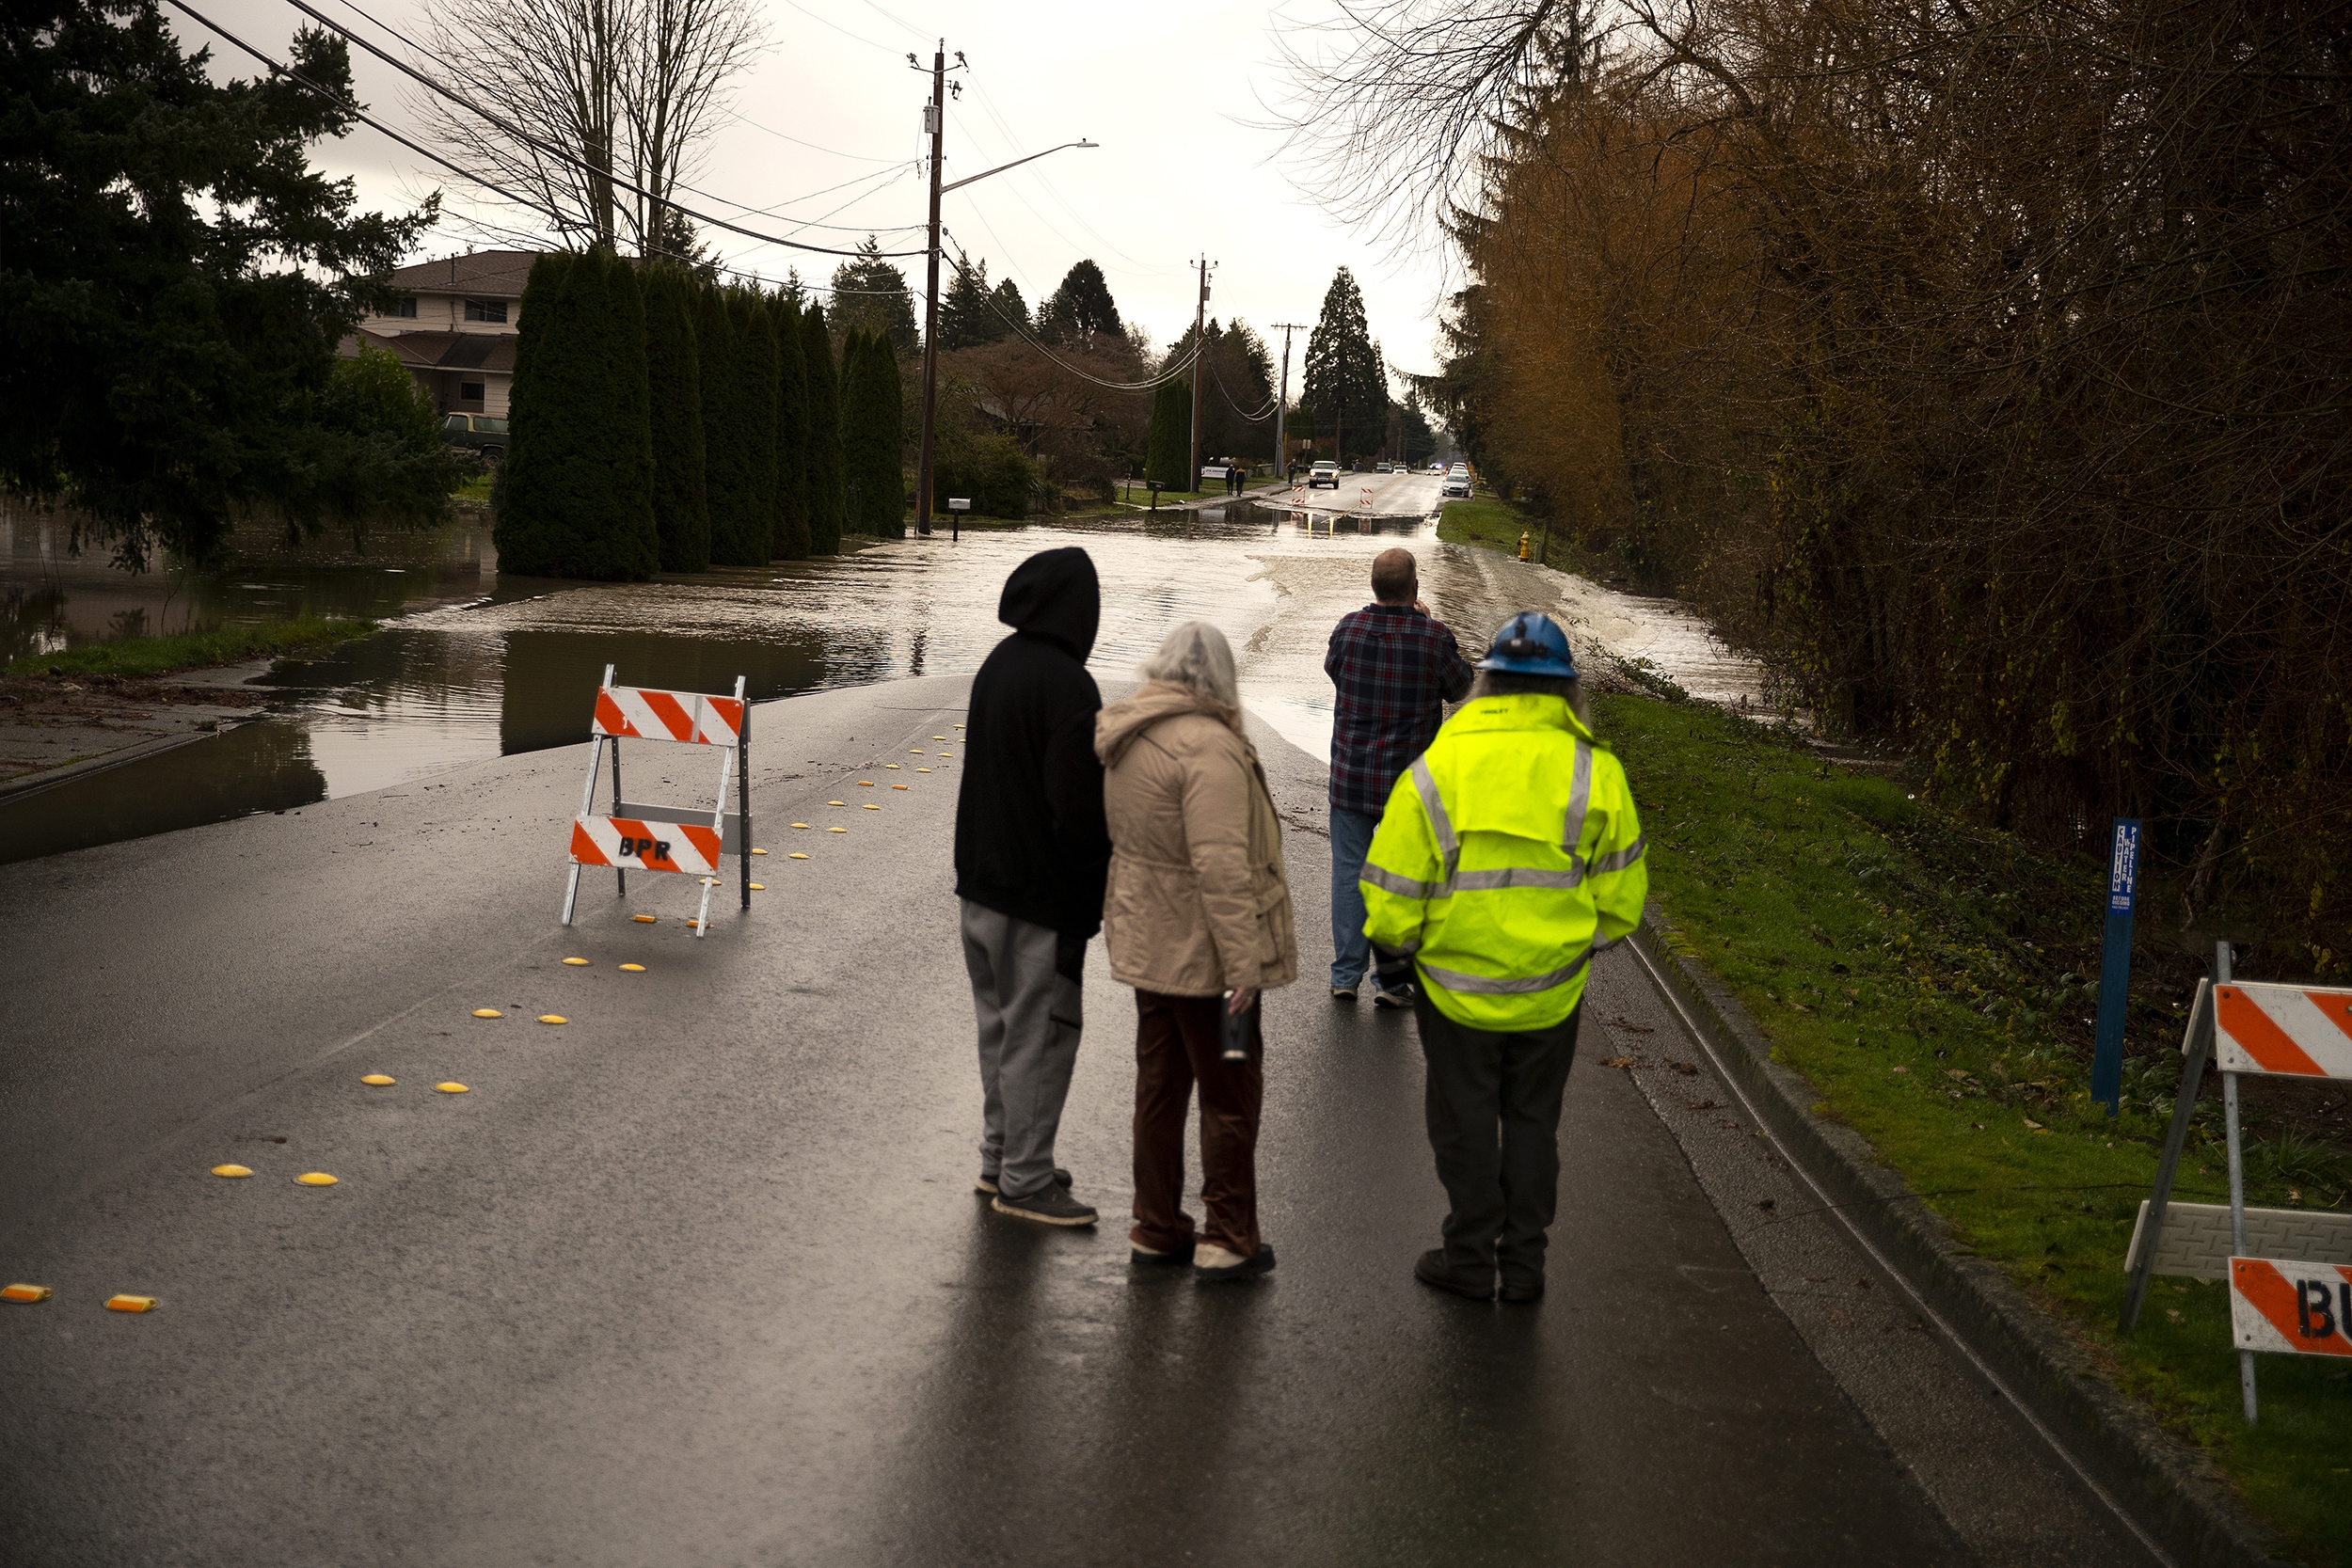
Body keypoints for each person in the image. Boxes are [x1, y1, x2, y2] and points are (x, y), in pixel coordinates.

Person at [1360, 611, 1647, 1303]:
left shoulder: (1441, 765)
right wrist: (1573, 946)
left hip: (1455, 992)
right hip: (1549, 994)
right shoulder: (1596, 772)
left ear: (1487, 681)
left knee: (1463, 1123)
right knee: (1531, 1125)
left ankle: (1468, 1257)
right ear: (1565, 689)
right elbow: (1622, 897)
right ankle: (1523, 1267)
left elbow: (1396, 881)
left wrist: (1396, 952)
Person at [1095, 621, 1296, 1281]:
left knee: (1158, 1088)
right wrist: (1244, 971)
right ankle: (1227, 1233)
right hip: (1214, 965)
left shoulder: (1131, 733)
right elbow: (1219, 868)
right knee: (1229, 1093)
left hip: (1151, 947)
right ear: (1220, 677)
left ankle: (1156, 1225)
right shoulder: (1208, 746)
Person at [953, 546, 1113, 1227]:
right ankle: (1027, 1178)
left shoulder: (997, 665)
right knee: (1041, 1037)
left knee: (998, 1033)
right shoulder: (1070, 687)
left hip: (980, 884)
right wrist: (1089, 895)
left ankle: (1001, 1157)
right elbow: (1077, 808)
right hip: (1038, 896)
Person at [1324, 547, 1475, 1006]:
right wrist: (1425, 624)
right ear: (1414, 588)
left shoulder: (1348, 629)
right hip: (1408, 788)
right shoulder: (1433, 638)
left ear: (1374, 586)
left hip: (1351, 778)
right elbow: (1463, 688)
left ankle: (1346, 975)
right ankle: (1390, 982)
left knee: (1349, 873)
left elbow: (1335, 671)